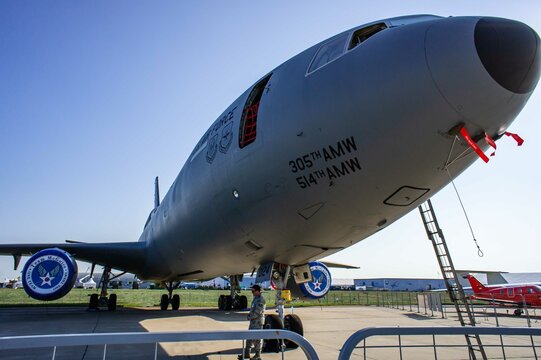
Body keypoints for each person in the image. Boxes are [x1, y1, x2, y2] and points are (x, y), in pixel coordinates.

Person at [239, 284, 266, 360]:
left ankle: (258, 355)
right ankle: (246, 354)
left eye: (253, 291)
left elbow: (258, 312)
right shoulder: (255, 299)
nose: (252, 292)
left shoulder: (261, 300)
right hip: (253, 322)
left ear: (258, 291)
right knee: (249, 338)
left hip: (257, 322)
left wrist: (250, 316)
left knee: (257, 339)